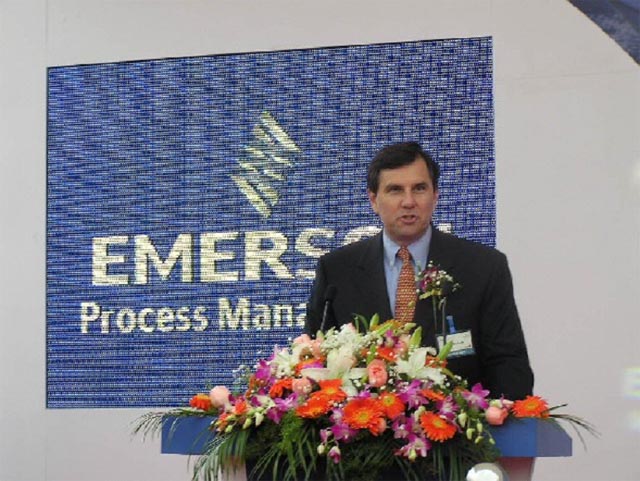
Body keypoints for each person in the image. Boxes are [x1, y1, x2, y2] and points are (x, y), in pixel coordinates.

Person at [305, 141, 534, 400]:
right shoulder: (337, 270)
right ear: (373, 200)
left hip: (457, 419)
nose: (408, 202)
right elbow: (314, 362)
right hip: (363, 419)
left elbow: (509, 366)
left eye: (419, 188)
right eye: (395, 190)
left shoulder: (483, 266)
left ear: (435, 196)